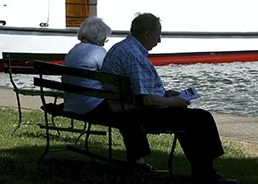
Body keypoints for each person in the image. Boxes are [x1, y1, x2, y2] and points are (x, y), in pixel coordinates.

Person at [101, 13, 240, 184]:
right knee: (201, 118)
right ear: (146, 34)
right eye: (158, 35)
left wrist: (165, 94)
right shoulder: (134, 57)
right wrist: (173, 101)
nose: (159, 41)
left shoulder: (122, 48)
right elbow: (146, 100)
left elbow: (139, 90)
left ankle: (203, 173)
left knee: (188, 118)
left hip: (124, 109)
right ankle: (206, 175)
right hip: (136, 114)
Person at [62, 16, 154, 170]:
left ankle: (137, 160)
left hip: (72, 104)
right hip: (90, 107)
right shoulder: (98, 52)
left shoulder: (73, 51)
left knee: (126, 113)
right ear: (98, 38)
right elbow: (115, 76)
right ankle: (138, 162)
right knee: (128, 115)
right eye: (105, 38)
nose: (105, 41)